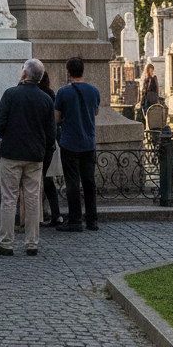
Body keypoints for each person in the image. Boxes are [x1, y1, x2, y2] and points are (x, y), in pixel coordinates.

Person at [0, 59, 55, 256]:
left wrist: (9, 136)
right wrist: (41, 147)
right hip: (35, 155)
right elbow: (51, 133)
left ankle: (6, 243)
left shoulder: (11, 94)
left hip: (12, 153)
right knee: (33, 199)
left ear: (24, 74)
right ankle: (32, 243)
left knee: (9, 199)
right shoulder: (46, 99)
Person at [54, 56, 100, 232]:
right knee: (89, 182)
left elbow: (56, 118)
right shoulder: (94, 91)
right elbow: (95, 111)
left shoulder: (62, 92)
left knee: (72, 182)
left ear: (68, 72)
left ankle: (75, 220)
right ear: (83, 71)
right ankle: (92, 220)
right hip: (88, 142)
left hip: (70, 142)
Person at [37, 70, 63, 227]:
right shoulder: (50, 94)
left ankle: (34, 216)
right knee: (48, 180)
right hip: (48, 143)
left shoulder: (35, 95)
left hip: (35, 142)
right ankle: (56, 214)